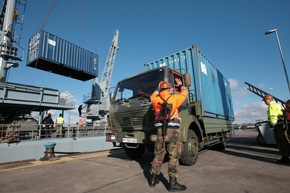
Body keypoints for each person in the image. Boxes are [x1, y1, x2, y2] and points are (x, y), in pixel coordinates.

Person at [149, 78, 188, 191]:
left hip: (160, 130)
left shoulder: (155, 99)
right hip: (173, 131)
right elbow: (184, 93)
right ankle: (173, 183)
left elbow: (153, 95)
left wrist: (157, 88)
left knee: (159, 154)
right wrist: (180, 85)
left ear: (161, 89)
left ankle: (153, 179)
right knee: (174, 155)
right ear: (169, 89)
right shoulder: (175, 98)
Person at [263, 95, 290, 163]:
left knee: (280, 141)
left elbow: (273, 115)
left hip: (278, 125)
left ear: (269, 99)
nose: (264, 102)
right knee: (286, 141)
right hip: (282, 124)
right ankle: (286, 156)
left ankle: (285, 158)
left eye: (265, 100)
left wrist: (273, 124)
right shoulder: (277, 104)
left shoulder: (272, 106)